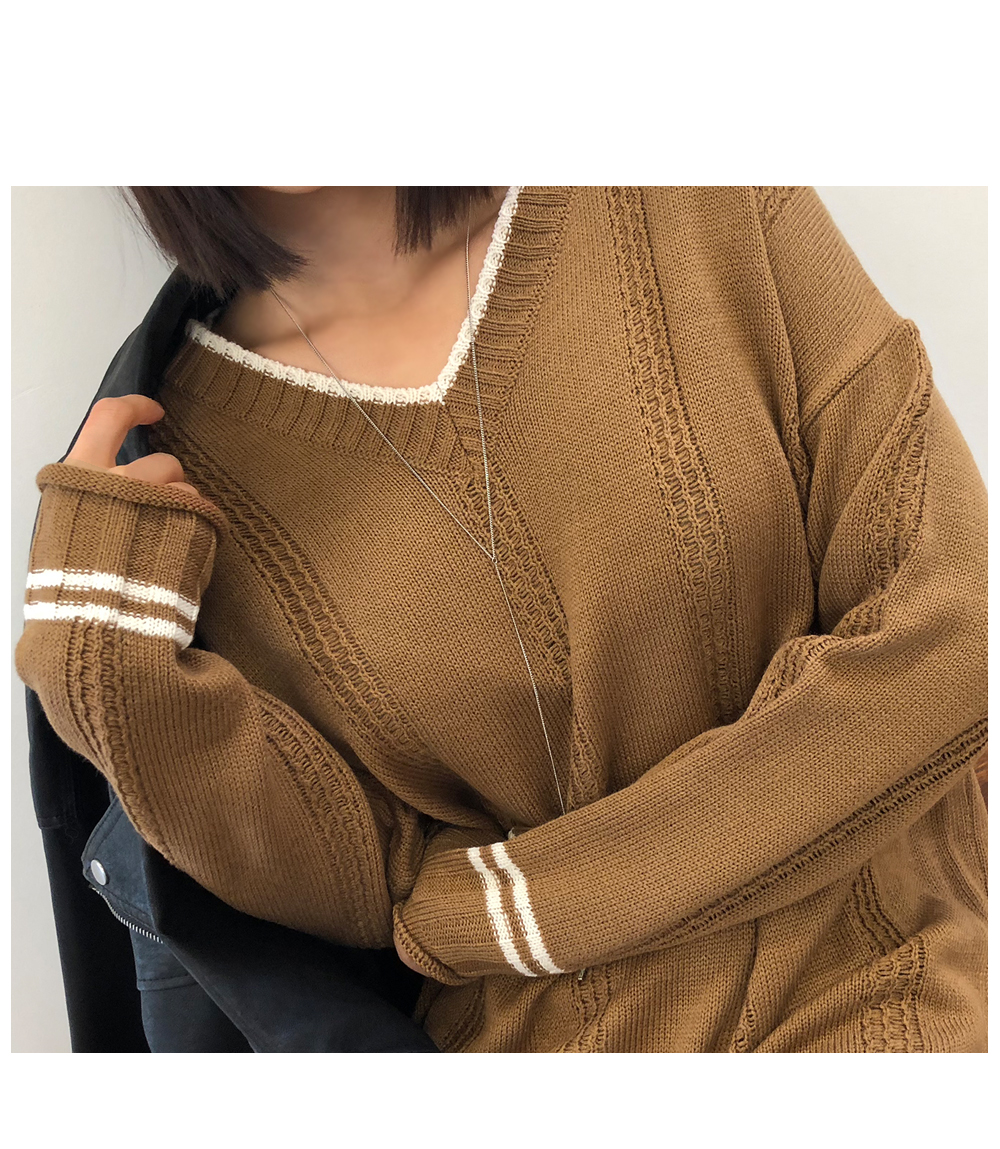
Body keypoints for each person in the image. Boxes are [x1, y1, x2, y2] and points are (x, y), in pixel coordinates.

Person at [18, 189, 987, 1058]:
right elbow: (353, 887)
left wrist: (514, 910)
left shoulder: (694, 201)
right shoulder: (184, 451)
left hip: (890, 990)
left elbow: (956, 633)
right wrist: (98, 664)